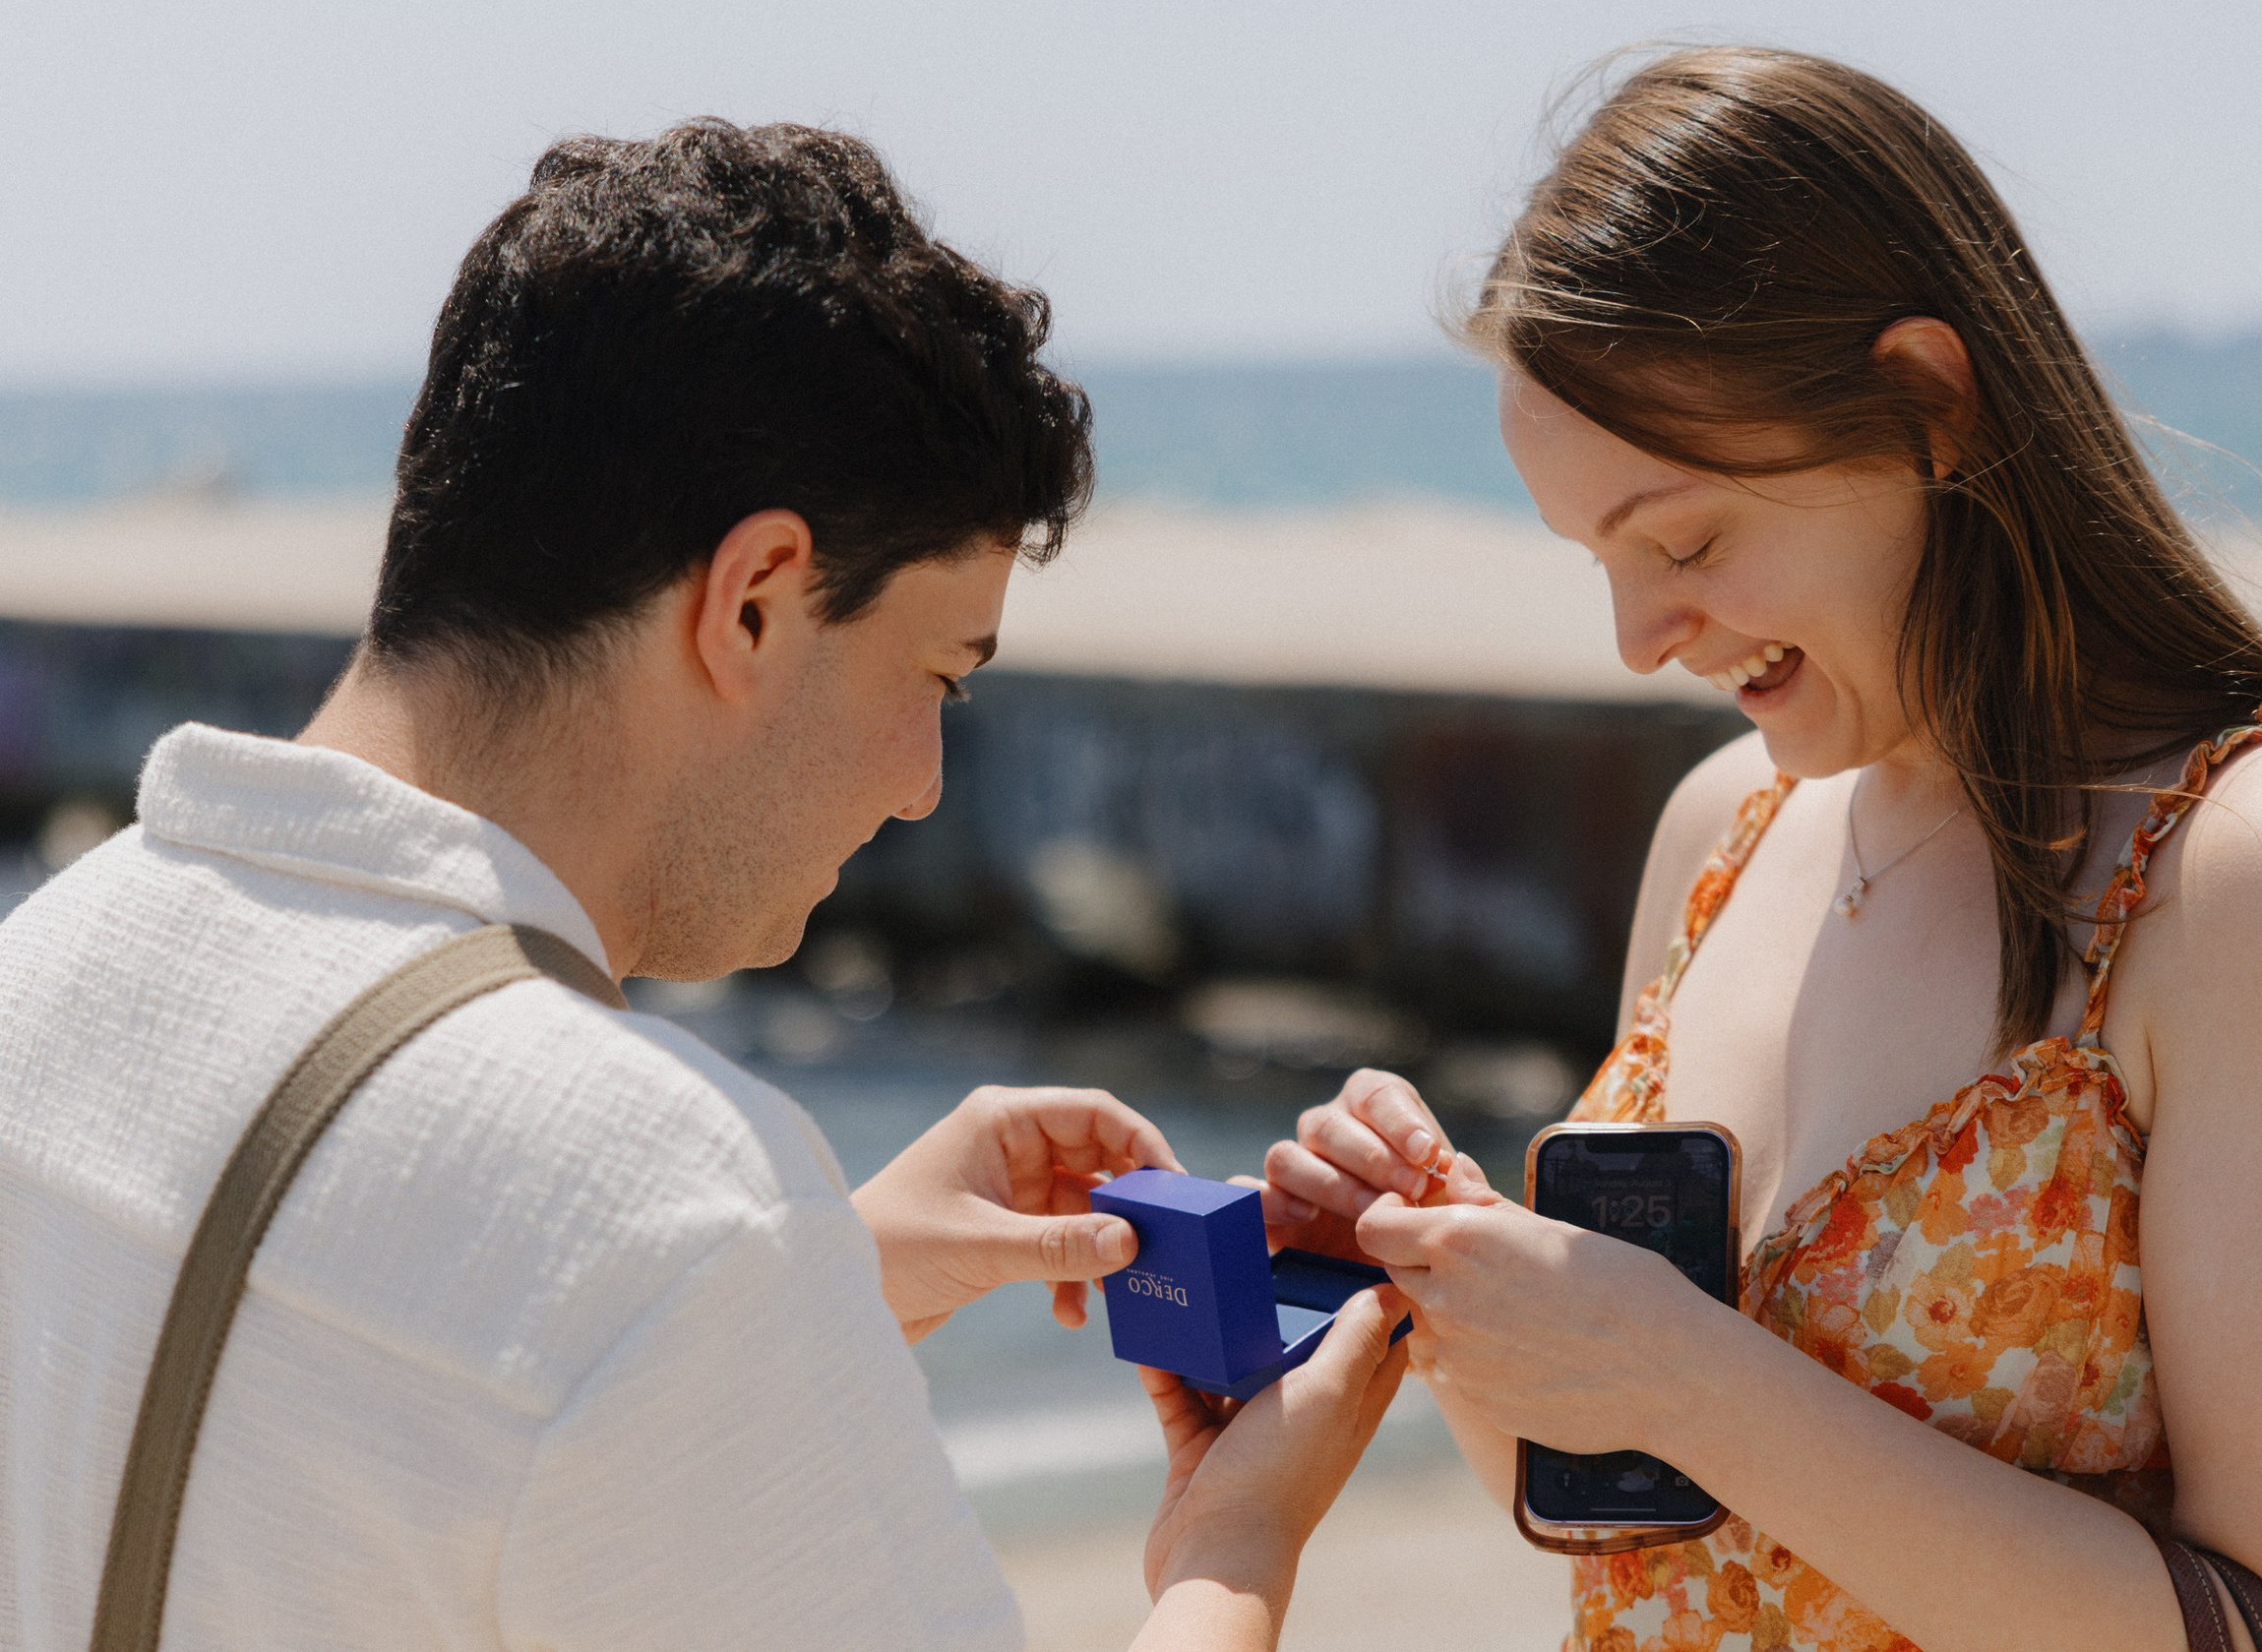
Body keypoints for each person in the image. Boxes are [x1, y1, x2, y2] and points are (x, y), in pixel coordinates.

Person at [0, 120, 1405, 1652]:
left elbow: (324, 1420)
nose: (925, 784)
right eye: (936, 673)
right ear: (750, 602)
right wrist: (1235, 1545)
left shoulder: (59, 960)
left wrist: (820, 1287)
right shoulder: (677, 1209)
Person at [1263, 47, 2262, 1652]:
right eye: (1598, 563)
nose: (1639, 638)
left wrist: (1682, 1370)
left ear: (1923, 401)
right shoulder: (1726, 828)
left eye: (1686, 540)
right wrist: (1459, 1287)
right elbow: (1640, 1534)